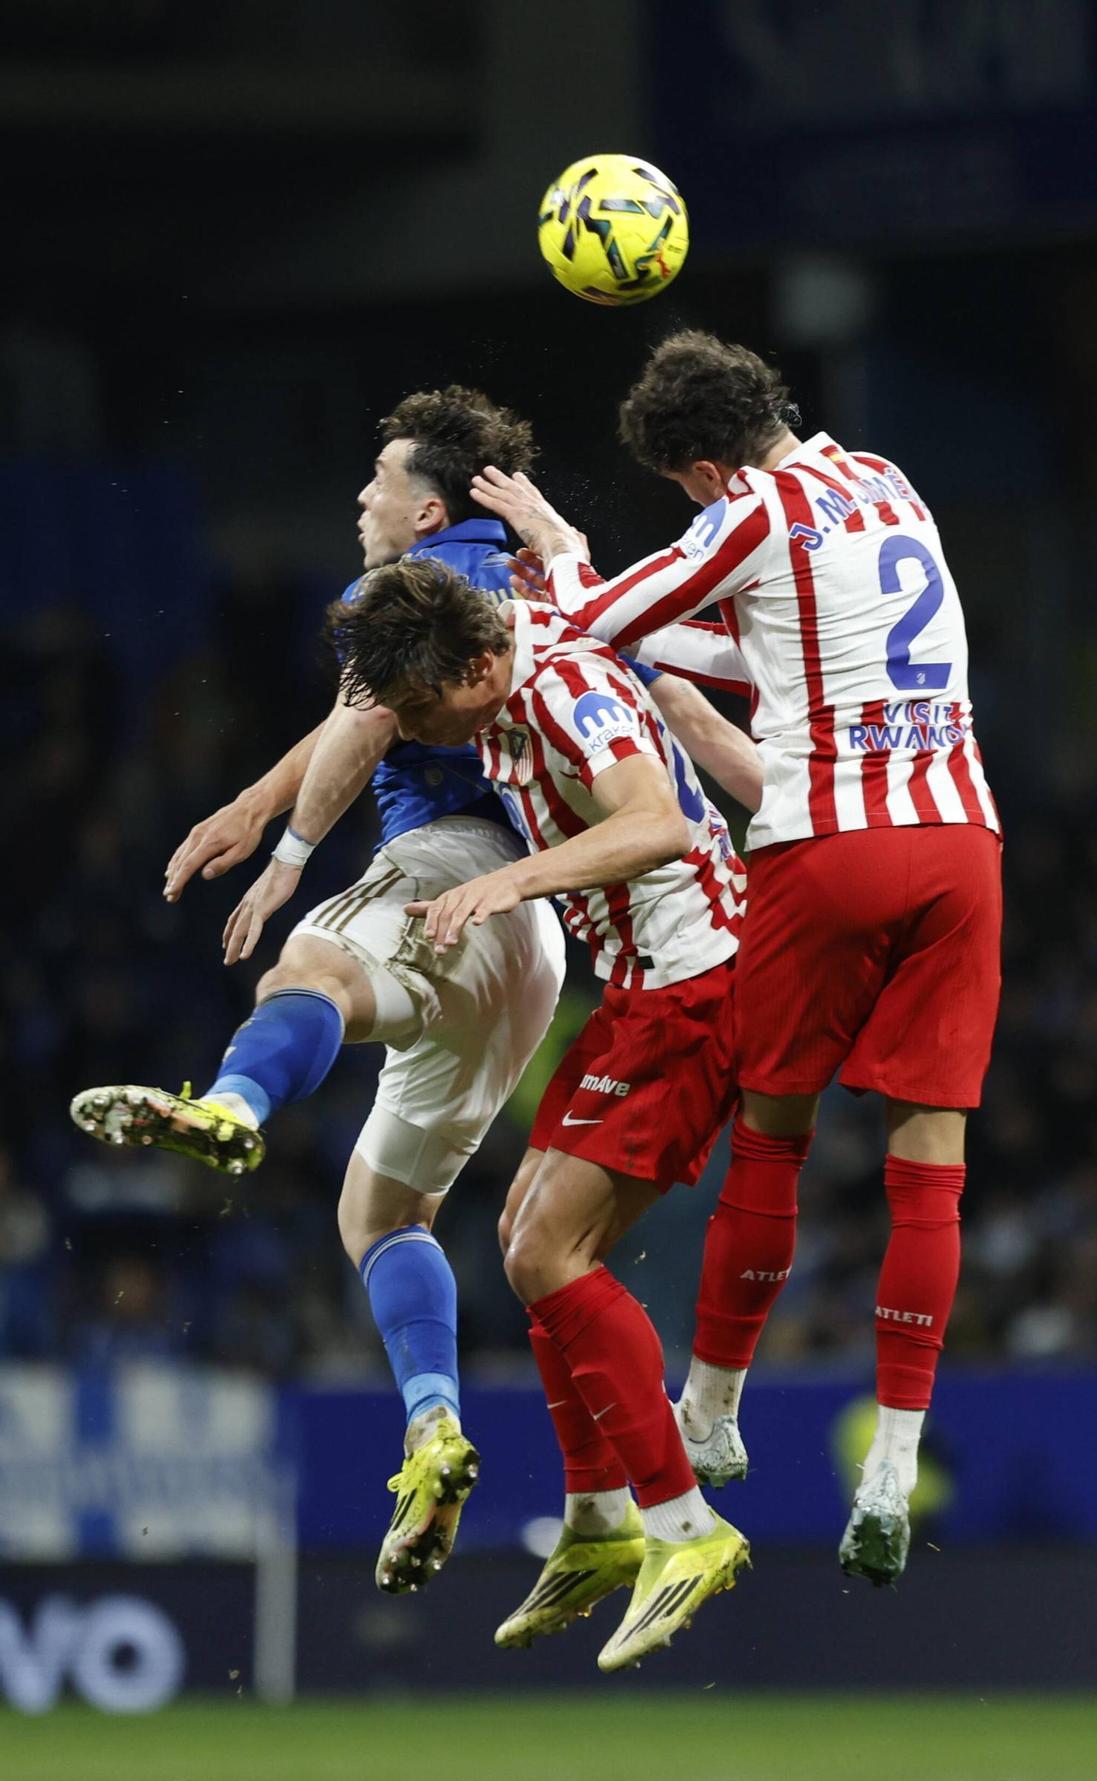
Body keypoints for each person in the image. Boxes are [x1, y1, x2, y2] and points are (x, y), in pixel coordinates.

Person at [471, 330, 1003, 1589]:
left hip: (833, 844)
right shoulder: (885, 478)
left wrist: (558, 546)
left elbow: (598, 622)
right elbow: (759, 636)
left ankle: (710, 1405)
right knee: (932, 1171)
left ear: (703, 466)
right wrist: (687, 668)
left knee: (775, 1134)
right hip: (964, 836)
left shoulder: (748, 507)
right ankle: (894, 1459)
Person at [70, 386, 568, 1596]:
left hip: (452, 874)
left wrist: (287, 856)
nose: (360, 500)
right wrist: (251, 803)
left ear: (430, 504)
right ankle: (436, 1423)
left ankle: (236, 1106)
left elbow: (362, 723)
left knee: (311, 966)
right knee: (381, 1218)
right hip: (540, 943)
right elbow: (366, 709)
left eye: (378, 481)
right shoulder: (543, 571)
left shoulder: (403, 593)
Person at [327, 558, 755, 1674]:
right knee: (525, 1236)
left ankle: (684, 1528)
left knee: (547, 1249)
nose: (415, 731)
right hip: (636, 991)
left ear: (476, 667)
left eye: (423, 707)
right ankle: (600, 1517)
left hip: (694, 985)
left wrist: (512, 884)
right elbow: (565, 580)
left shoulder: (563, 688)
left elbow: (655, 821)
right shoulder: (501, 658)